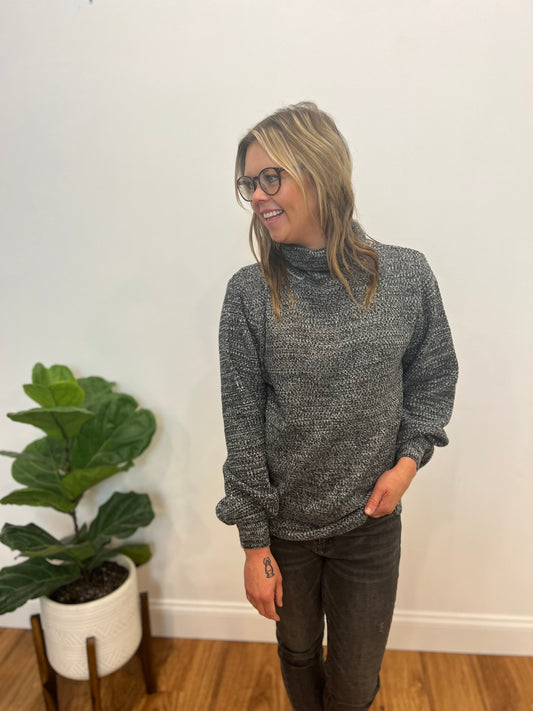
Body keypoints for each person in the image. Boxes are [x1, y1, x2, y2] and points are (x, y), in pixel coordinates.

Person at [216, 102, 458, 711]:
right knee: (298, 654)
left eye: (272, 177)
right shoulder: (249, 293)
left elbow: (432, 378)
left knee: (353, 681)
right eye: (250, 182)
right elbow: (242, 425)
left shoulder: (406, 276)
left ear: (319, 170)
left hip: (369, 526)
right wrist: (254, 544)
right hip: (284, 531)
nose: (257, 196)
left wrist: (408, 463)